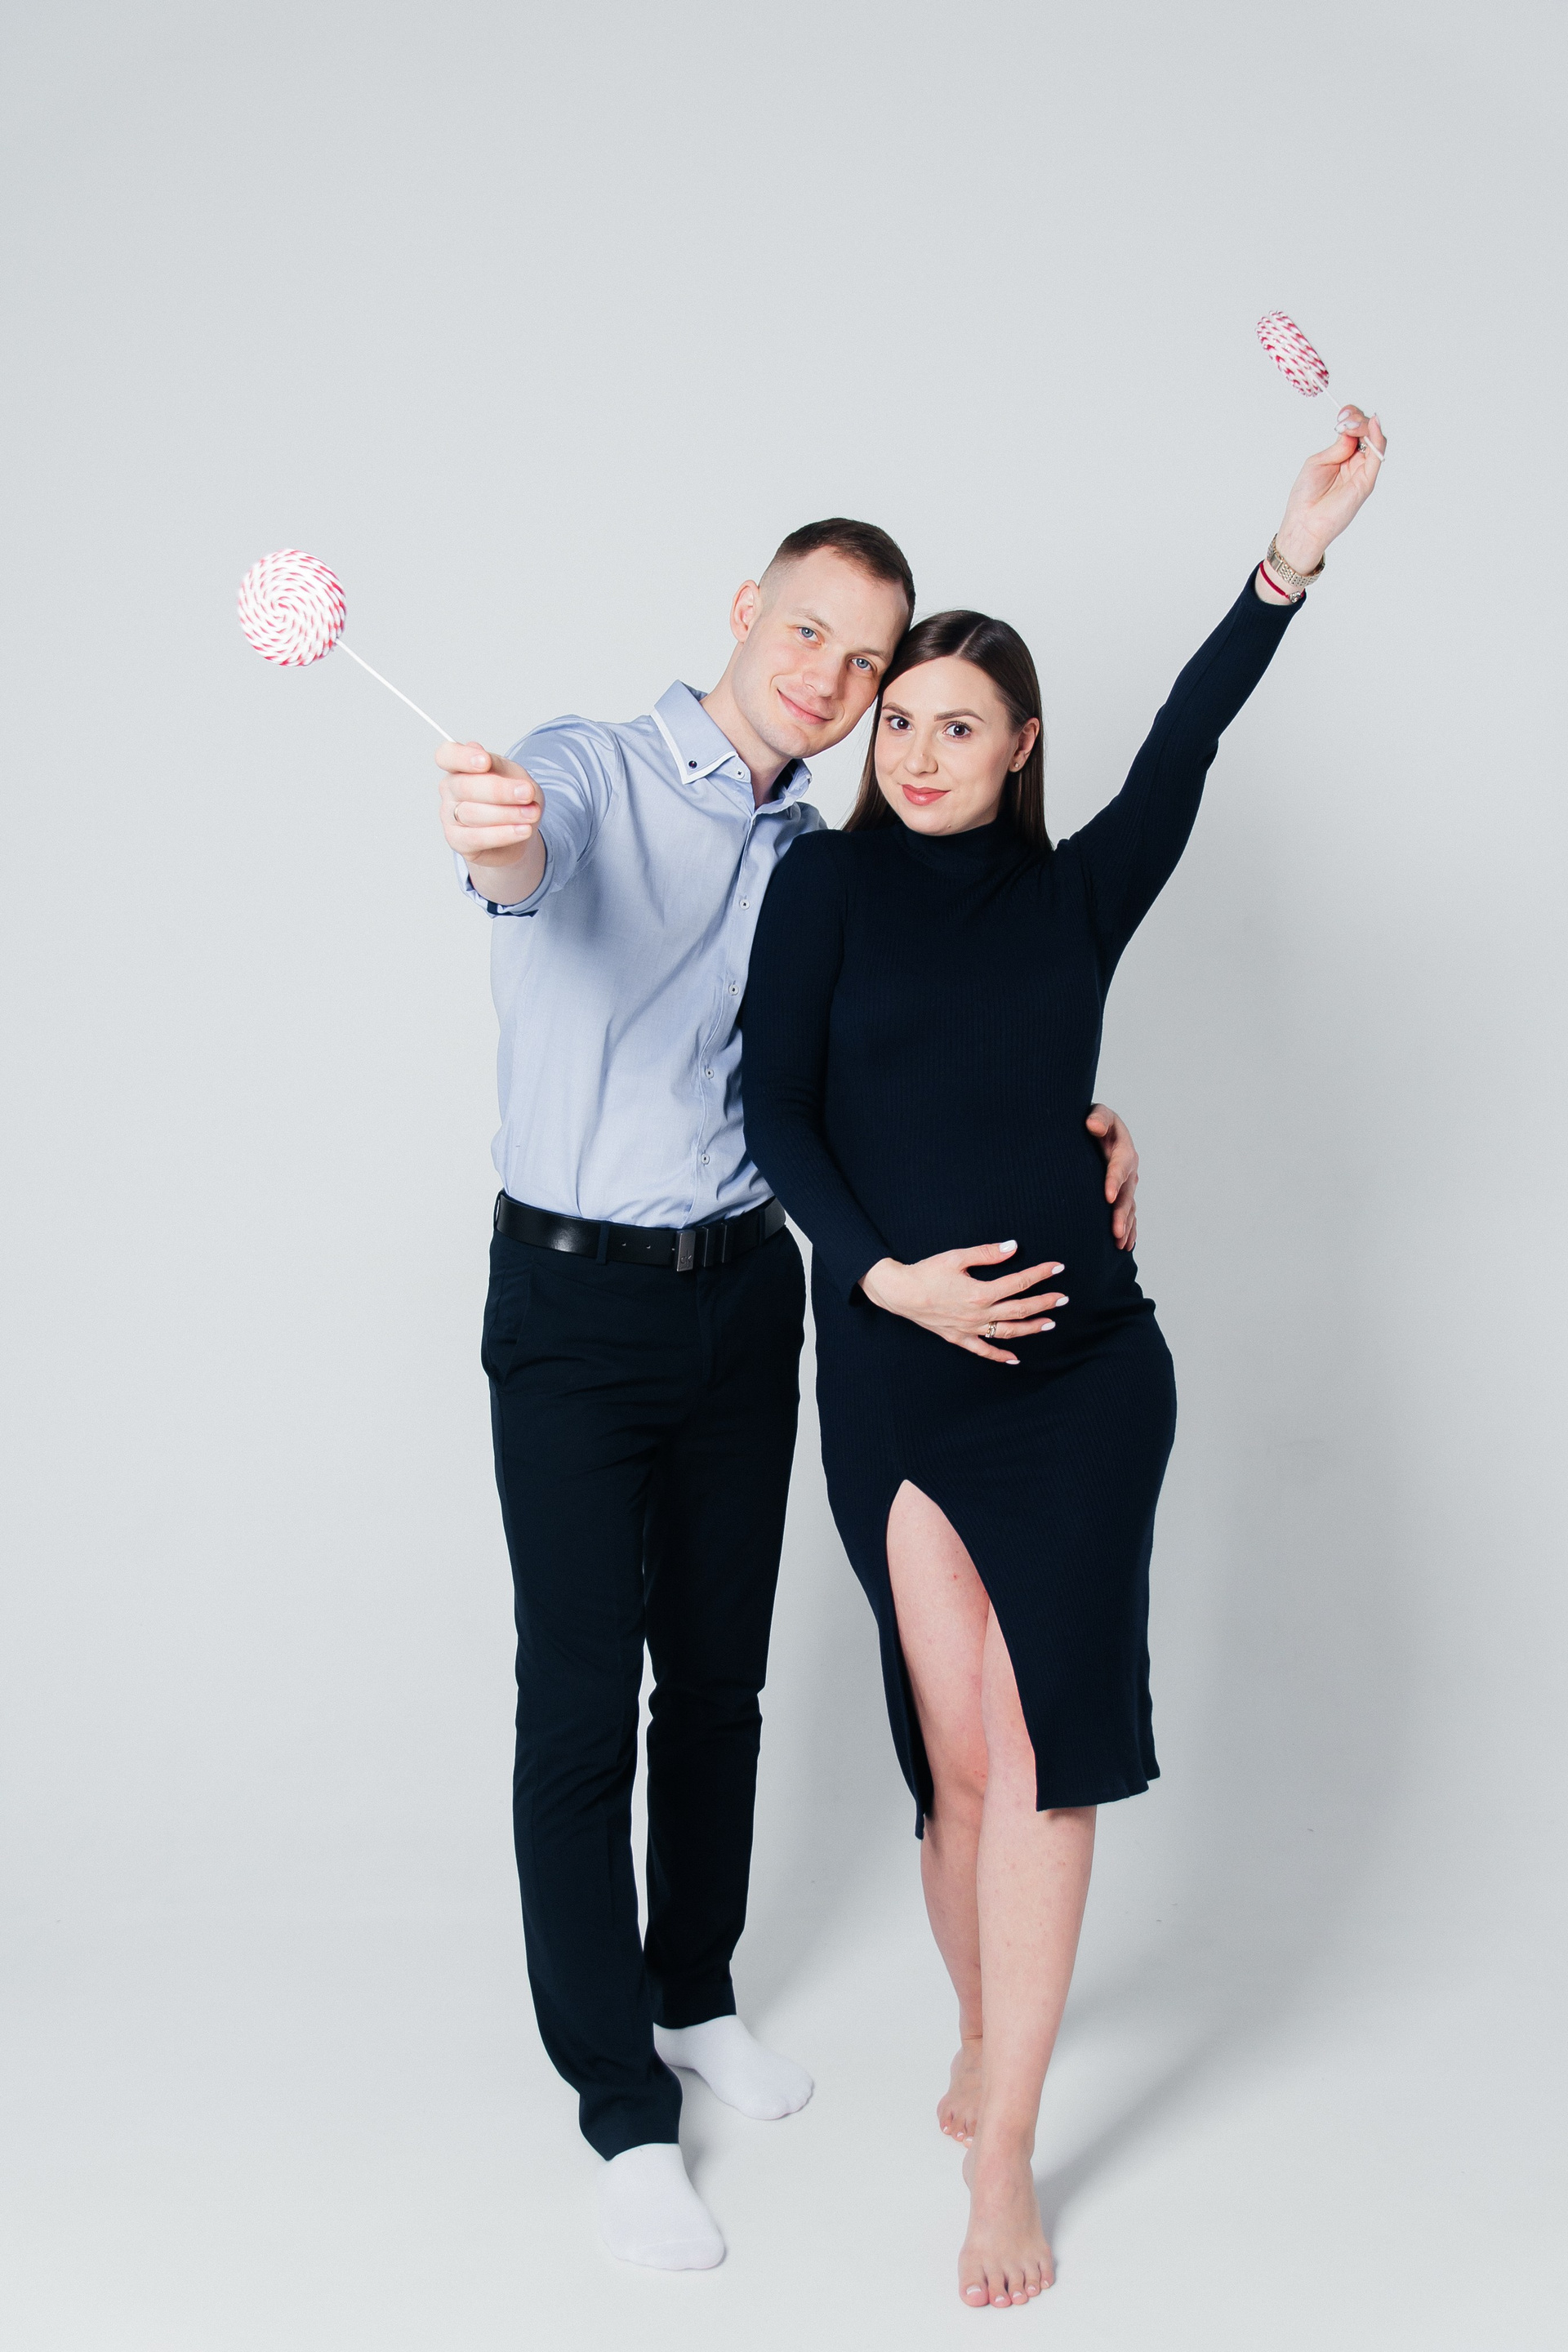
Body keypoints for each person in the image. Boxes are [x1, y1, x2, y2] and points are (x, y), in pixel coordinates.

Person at [433, 519, 1146, 2270]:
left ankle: (693, 1996)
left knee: (719, 1688)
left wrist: (1080, 1136)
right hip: (577, 1300)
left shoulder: (825, 853)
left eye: (867, 661)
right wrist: (499, 836)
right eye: (809, 632)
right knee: (582, 1707)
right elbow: (527, 850)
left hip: (752, 1295)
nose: (832, 678)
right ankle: (622, 2107)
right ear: (748, 614)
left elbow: (903, 1047)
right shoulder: (596, 767)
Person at [742, 412, 1386, 2309]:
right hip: (897, 1375)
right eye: (901, 720)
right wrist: (888, 1285)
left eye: (960, 724)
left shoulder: (1079, 893)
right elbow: (778, 1112)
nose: (920, 750)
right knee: (956, 1762)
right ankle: (980, 2023)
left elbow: (1193, 731)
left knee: (1042, 1756)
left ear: (1022, 746)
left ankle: (1007, 2139)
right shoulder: (821, 887)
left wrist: (1291, 553)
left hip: (1085, 1377)